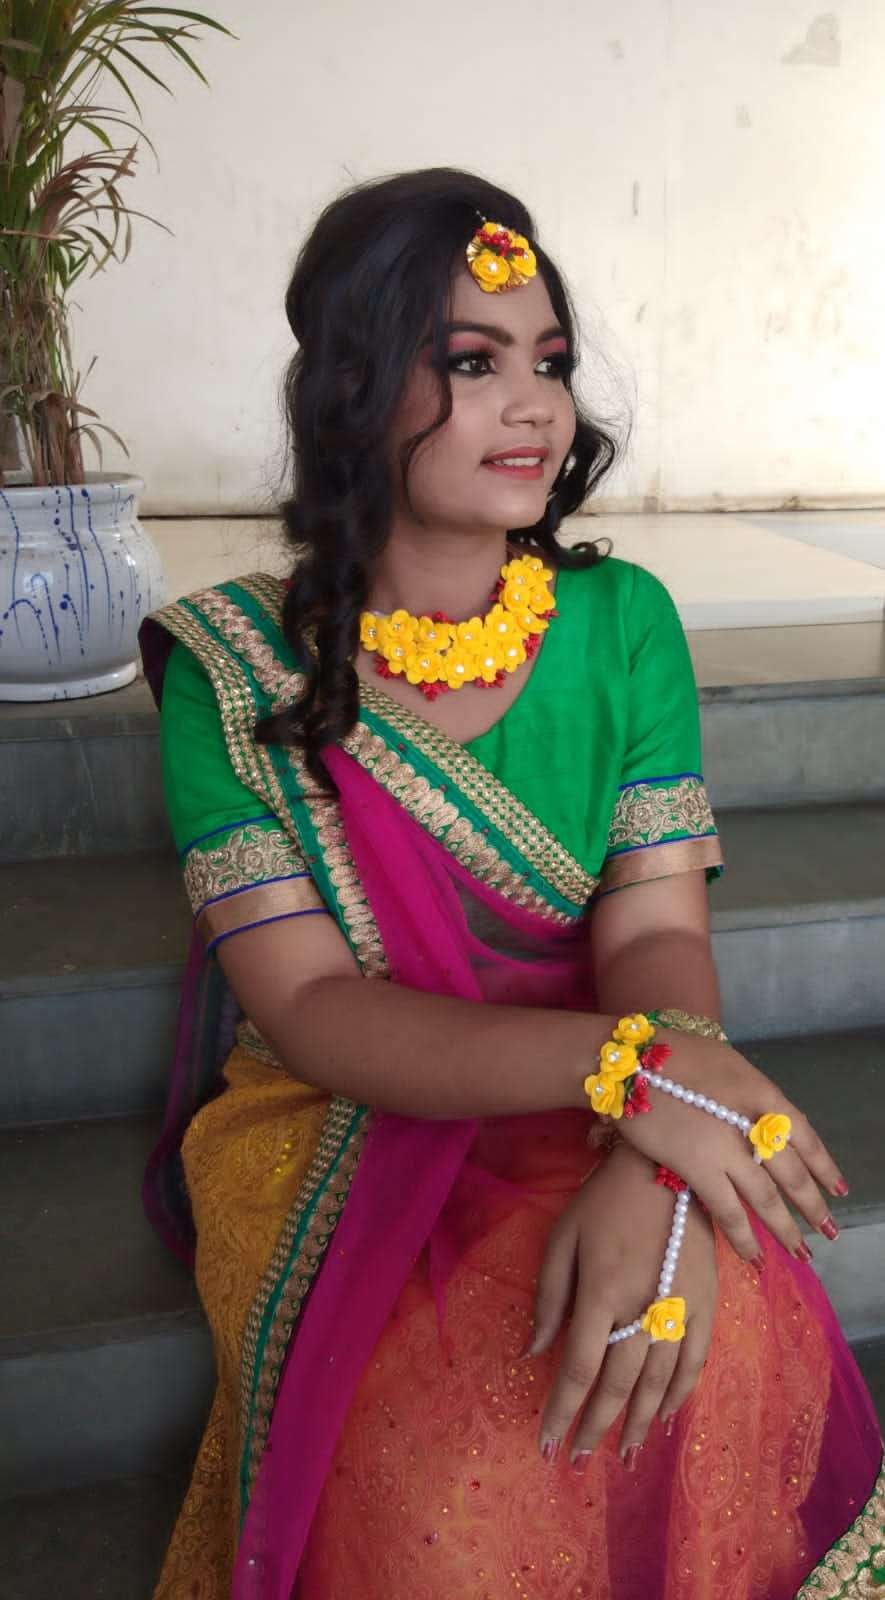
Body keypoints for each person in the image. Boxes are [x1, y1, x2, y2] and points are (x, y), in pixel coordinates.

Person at [140, 168, 883, 1600]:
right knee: (460, 1429)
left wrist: (652, 1145)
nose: (534, 406)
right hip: (347, 1109)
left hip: (610, 1077)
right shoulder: (232, 668)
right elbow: (311, 1006)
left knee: (706, 1324)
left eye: (549, 362)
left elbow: (653, 929)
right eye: (472, 365)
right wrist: (638, 1076)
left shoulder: (621, 621)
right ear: (351, 389)